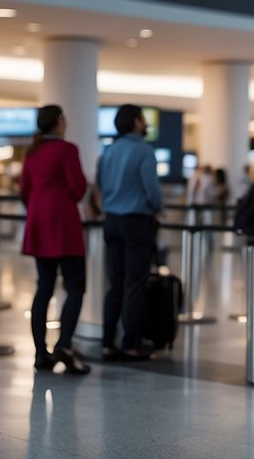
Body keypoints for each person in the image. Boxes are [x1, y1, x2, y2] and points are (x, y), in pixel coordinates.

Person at [19, 105, 90, 375]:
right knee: (75, 285)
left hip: (38, 221)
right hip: (64, 223)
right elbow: (78, 188)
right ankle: (64, 345)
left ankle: (40, 353)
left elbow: (24, 190)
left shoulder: (32, 152)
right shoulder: (67, 149)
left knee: (44, 287)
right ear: (60, 121)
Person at [97, 103, 163, 362]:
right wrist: (157, 207)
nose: (146, 124)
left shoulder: (108, 151)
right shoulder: (144, 151)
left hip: (111, 220)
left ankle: (107, 343)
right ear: (137, 122)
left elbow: (101, 184)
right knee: (134, 284)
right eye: (143, 120)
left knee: (115, 284)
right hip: (136, 222)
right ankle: (131, 344)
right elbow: (153, 191)